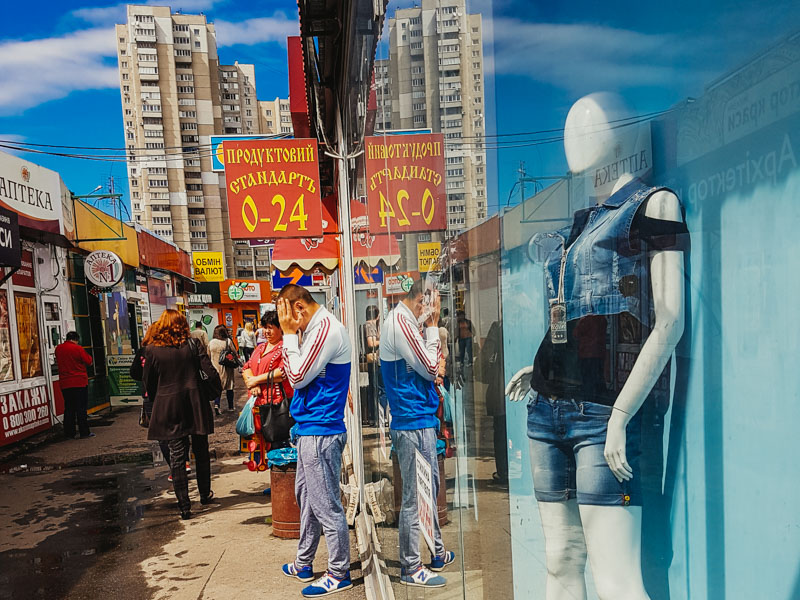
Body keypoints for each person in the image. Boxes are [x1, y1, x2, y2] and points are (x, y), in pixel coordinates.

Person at [277, 284, 353, 596]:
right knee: (308, 501)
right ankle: (304, 562)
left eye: (284, 313)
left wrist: (288, 335)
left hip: (321, 431)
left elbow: (295, 377)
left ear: (298, 309)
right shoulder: (314, 330)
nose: (283, 320)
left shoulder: (325, 329)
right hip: (312, 429)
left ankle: (339, 572)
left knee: (326, 506)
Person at [381, 279, 454, 588]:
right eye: (431, 303)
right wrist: (434, 330)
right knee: (415, 496)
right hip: (412, 422)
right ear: (421, 301)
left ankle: (436, 551)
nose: (432, 309)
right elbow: (428, 366)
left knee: (428, 488)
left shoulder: (404, 321)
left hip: (418, 417)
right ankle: (411, 567)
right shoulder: (401, 323)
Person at [143, 309, 221, 520]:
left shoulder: (152, 350)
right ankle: (204, 494)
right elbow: (210, 371)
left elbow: (148, 383)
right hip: (195, 404)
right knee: (201, 450)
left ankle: (184, 506)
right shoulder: (193, 345)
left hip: (168, 406)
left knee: (177, 455)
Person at [242, 311, 293, 447]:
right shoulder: (260, 347)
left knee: (279, 445)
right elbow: (246, 368)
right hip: (258, 404)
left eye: (270, 327)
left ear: (280, 328)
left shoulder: (285, 348)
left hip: (277, 406)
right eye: (265, 327)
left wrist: (256, 380)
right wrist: (253, 384)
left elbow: (281, 373)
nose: (266, 331)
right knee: (263, 448)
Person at [55, 332, 94, 439]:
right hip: (79, 382)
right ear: (76, 339)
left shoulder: (58, 349)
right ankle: (84, 432)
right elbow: (89, 361)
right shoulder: (78, 348)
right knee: (81, 408)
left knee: (69, 408)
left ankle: (69, 433)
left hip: (65, 383)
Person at [360, 304, 382, 427]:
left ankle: (374, 417)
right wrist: (383, 340)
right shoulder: (370, 325)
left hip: (372, 361)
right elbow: (371, 343)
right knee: (376, 389)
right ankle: (375, 417)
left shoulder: (367, 325)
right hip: (374, 361)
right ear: (377, 315)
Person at [208, 324, 237, 415]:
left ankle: (217, 405)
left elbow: (208, 355)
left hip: (215, 368)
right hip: (227, 368)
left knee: (218, 387)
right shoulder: (228, 341)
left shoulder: (211, 342)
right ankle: (231, 406)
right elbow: (235, 353)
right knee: (229, 387)